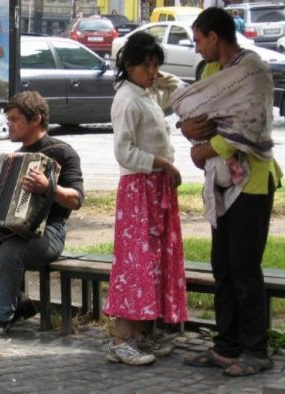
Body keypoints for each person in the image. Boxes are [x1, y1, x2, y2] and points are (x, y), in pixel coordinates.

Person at [179, 7, 282, 377]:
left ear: (213, 36)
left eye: (197, 40)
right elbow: (198, 118)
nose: (196, 48)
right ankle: (227, 344)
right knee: (222, 265)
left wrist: (207, 148)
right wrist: (190, 131)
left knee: (244, 267)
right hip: (220, 183)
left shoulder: (254, 71)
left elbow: (252, 128)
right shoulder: (209, 73)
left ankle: (256, 350)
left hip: (252, 182)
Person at [0, 90, 84, 340]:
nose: (8, 125)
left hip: (50, 231)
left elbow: (76, 199)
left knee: (10, 251)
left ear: (35, 119)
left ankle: (1, 316)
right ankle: (20, 303)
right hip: (9, 232)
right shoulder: (16, 156)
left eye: (14, 119)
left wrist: (49, 187)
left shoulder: (62, 152)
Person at [102, 31, 187, 366]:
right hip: (140, 189)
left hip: (155, 188)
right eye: (146, 65)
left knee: (153, 260)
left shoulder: (146, 92)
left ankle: (140, 335)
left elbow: (176, 88)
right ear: (129, 64)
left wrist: (160, 74)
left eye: (155, 66)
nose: (152, 72)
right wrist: (162, 163)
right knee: (136, 261)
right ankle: (121, 339)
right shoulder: (127, 98)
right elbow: (124, 151)